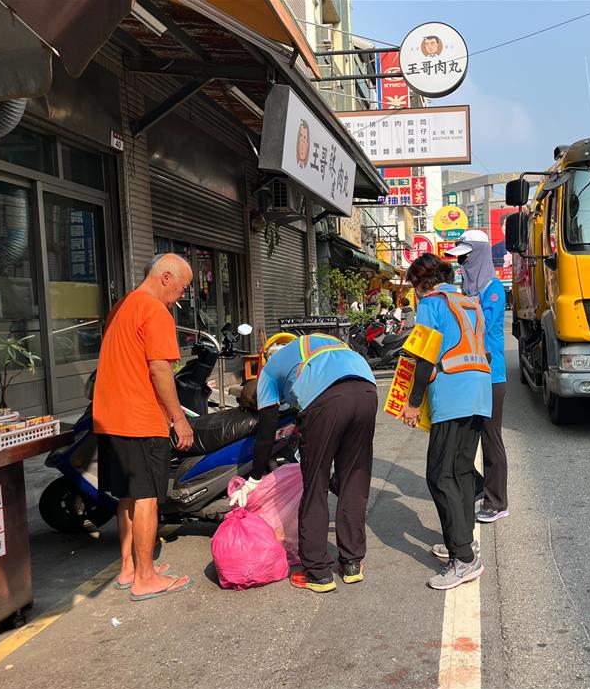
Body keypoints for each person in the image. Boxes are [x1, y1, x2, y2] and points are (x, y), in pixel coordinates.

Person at [231, 332, 377, 593]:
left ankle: (318, 572)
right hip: (367, 391)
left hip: (325, 401)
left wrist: (254, 477)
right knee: (354, 479)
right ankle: (352, 564)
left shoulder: (269, 371)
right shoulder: (320, 341)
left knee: (315, 485)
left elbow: (267, 430)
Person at [93, 253, 195, 601]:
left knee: (127, 495)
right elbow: (160, 369)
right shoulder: (155, 310)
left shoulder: (122, 306)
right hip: (140, 418)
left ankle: (129, 568)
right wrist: (179, 418)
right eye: (182, 287)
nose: (181, 295)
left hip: (110, 417)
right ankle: (146, 577)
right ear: (166, 278)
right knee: (147, 498)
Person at [398, 254, 492, 590]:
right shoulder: (468, 302)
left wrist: (412, 402)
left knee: (440, 475)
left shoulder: (431, 304)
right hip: (480, 392)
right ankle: (464, 542)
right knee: (462, 472)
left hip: (453, 395)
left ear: (420, 282)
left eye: (413, 286)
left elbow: (425, 356)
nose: (414, 293)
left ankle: (463, 559)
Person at [446, 230, 509, 523]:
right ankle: (479, 486)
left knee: (490, 437)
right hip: (467, 374)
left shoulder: (493, 289)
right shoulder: (465, 291)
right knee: (463, 437)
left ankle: (497, 501)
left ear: (480, 255)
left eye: (466, 257)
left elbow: (481, 324)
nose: (462, 264)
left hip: (491, 376)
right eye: (459, 259)